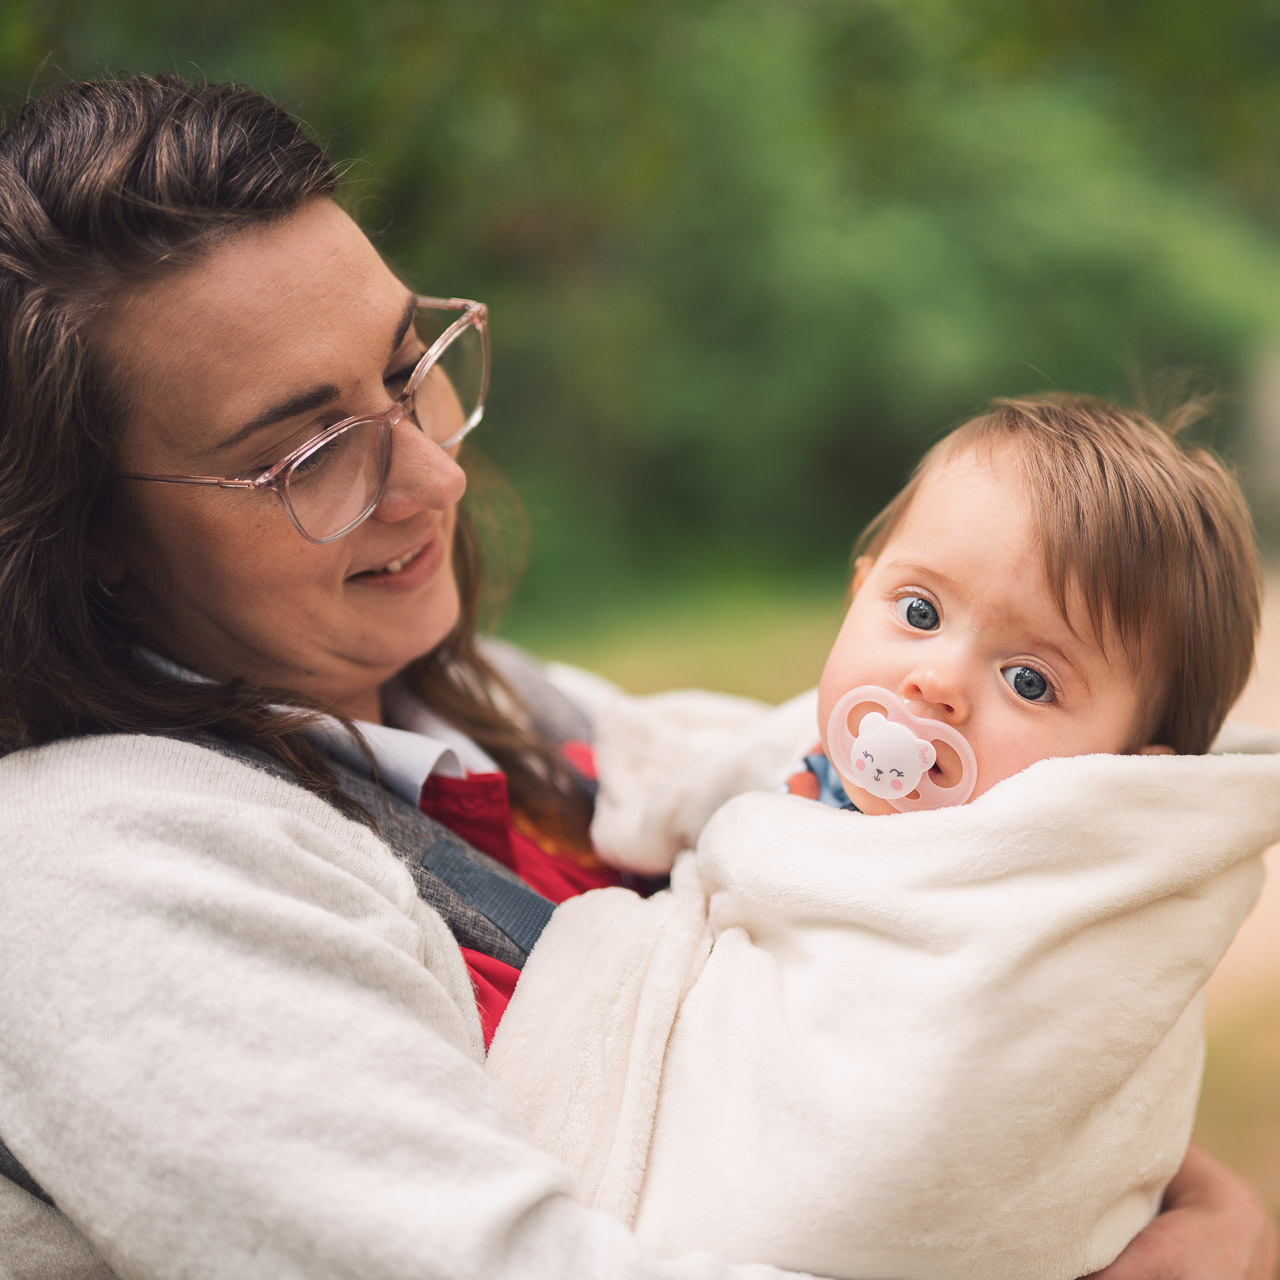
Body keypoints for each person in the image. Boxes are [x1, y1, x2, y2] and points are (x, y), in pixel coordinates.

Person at [0, 71, 1272, 1279]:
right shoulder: (92, 873)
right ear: (89, 530)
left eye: (408, 371)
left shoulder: (503, 708)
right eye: (313, 449)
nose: (437, 471)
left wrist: (1205, 1206)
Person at [486, 397, 1280, 1279]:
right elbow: (707, 769)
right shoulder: (813, 750)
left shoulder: (1058, 899)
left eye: (1028, 678)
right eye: (921, 612)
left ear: (1130, 773)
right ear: (860, 588)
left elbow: (933, 1115)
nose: (934, 681)